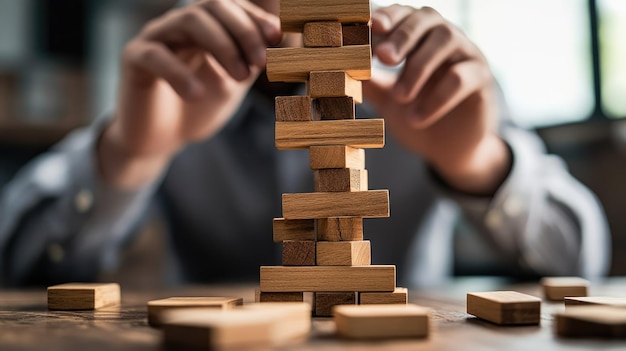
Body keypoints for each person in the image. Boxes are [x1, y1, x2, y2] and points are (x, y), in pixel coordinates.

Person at [0, 0, 611, 287]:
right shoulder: (166, 85)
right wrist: (130, 155)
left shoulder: (438, 85)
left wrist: (477, 164)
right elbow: (17, 266)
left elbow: (581, 265)